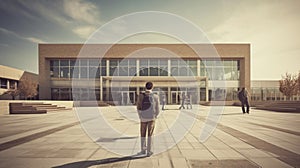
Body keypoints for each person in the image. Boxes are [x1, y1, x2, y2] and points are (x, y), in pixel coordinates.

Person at [136, 82, 160, 157]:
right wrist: (155, 116)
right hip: (151, 118)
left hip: (143, 118)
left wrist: (140, 116)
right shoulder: (155, 96)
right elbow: (158, 109)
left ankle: (143, 150)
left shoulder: (141, 95)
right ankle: (149, 151)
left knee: (143, 134)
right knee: (150, 134)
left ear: (145, 87)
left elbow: (138, 107)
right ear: (152, 87)